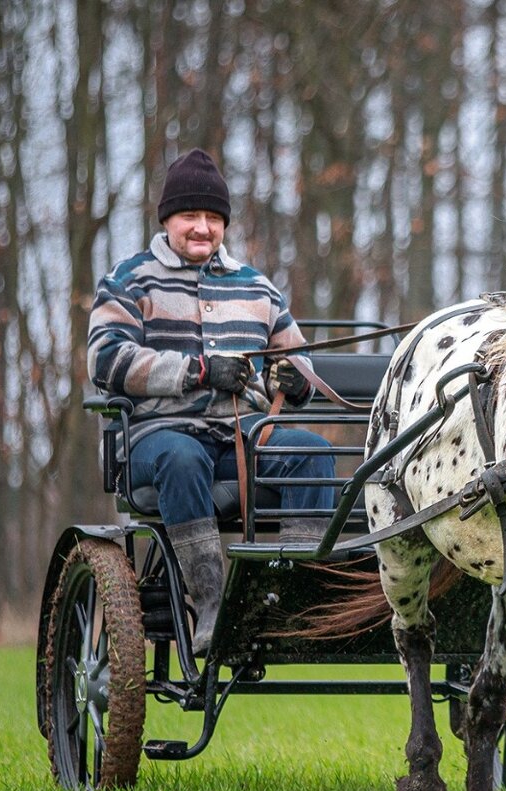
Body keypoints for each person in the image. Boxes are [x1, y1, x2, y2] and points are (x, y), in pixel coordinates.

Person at [87, 148, 335, 651]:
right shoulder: (129, 280)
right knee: (183, 459)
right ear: (167, 220)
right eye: (190, 216)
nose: (202, 228)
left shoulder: (257, 287)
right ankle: (211, 606)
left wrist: (297, 379)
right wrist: (194, 371)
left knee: (312, 451)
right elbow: (105, 359)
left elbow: (300, 360)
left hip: (241, 435)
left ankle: (292, 602)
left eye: (212, 218)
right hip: (156, 439)